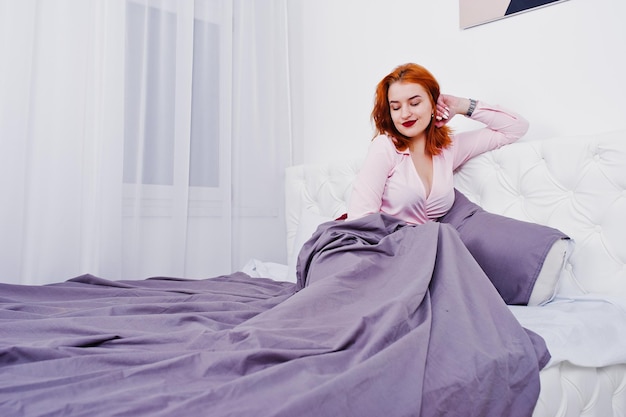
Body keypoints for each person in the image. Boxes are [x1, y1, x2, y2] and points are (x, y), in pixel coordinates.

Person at [347, 62, 529, 224]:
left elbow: (515, 128)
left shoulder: (449, 149)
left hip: (430, 249)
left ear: (433, 103)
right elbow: (360, 218)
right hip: (386, 249)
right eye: (396, 107)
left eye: (415, 103)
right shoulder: (385, 147)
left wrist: (460, 105)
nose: (404, 114)